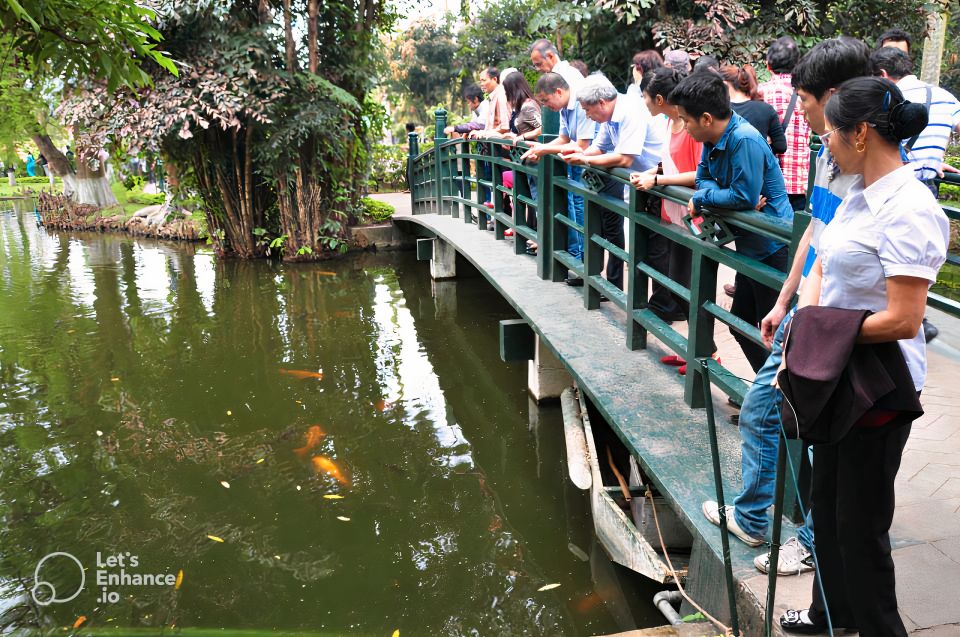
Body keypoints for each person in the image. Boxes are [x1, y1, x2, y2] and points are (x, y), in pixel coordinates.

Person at [779, 76, 948, 637]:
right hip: (833, 369)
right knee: (825, 508)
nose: (822, 144)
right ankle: (835, 613)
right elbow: (822, 261)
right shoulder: (857, 194)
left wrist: (819, 333)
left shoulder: (908, 207)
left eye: (828, 134)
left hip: (878, 382)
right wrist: (806, 324)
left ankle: (879, 627)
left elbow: (903, 318)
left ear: (860, 133)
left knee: (862, 525)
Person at [700, 38, 872, 577]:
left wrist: (812, 328)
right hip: (810, 317)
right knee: (762, 411)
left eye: (804, 97)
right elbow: (814, 234)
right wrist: (785, 302)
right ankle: (754, 517)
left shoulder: (878, 168)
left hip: (842, 326)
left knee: (825, 437)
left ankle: (811, 545)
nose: (797, 109)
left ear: (837, 95)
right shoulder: (830, 152)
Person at [670, 70, 793, 372]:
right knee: (740, 325)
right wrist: (713, 192)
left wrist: (702, 198)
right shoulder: (712, 138)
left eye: (686, 120)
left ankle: (779, 406)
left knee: (773, 333)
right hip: (750, 246)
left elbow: (741, 198)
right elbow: (703, 179)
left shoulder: (744, 139)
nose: (684, 127)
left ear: (707, 118)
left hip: (772, 245)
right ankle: (768, 399)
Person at [631, 67, 717, 371]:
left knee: (692, 287)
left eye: (644, 96)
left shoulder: (691, 126)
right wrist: (653, 174)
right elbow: (670, 165)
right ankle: (693, 348)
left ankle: (708, 353)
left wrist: (660, 181)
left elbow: (700, 173)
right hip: (675, 214)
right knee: (678, 286)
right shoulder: (670, 122)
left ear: (658, 98)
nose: (643, 102)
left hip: (694, 217)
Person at [563, 73, 664, 292]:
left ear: (601, 102)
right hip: (640, 182)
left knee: (657, 249)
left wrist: (585, 159)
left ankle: (660, 307)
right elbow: (598, 147)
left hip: (659, 182)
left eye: (589, 110)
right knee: (642, 245)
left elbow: (625, 158)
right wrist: (578, 154)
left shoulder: (630, 111)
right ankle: (638, 300)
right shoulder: (609, 118)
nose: (588, 116)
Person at [523, 72, 599, 279]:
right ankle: (576, 256)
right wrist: (542, 147)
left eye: (546, 101)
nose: (546, 106)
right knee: (573, 203)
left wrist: (544, 150)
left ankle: (584, 261)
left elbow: (582, 145)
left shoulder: (582, 105)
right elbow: (564, 138)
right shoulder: (565, 108)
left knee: (583, 207)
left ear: (558, 92)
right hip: (579, 164)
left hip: (594, 167)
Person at [871, 47, 960, 195]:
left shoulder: (886, 100)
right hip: (926, 190)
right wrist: (930, 162)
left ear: (882, 75)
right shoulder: (945, 97)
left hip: (890, 189)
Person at [759, 36, 812, 212]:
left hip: (765, 183)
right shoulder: (807, 96)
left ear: (768, 65)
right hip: (798, 182)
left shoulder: (758, 93)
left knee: (768, 234)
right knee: (795, 235)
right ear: (797, 66)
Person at [501, 72, 542, 248]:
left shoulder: (528, 106)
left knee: (538, 198)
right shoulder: (522, 107)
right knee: (533, 197)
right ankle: (538, 237)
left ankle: (541, 239)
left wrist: (523, 137)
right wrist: (515, 135)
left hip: (535, 158)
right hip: (527, 159)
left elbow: (543, 128)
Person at [720, 64, 787, 155]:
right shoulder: (766, 109)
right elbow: (781, 146)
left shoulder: (719, 111)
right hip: (757, 167)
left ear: (725, 84)